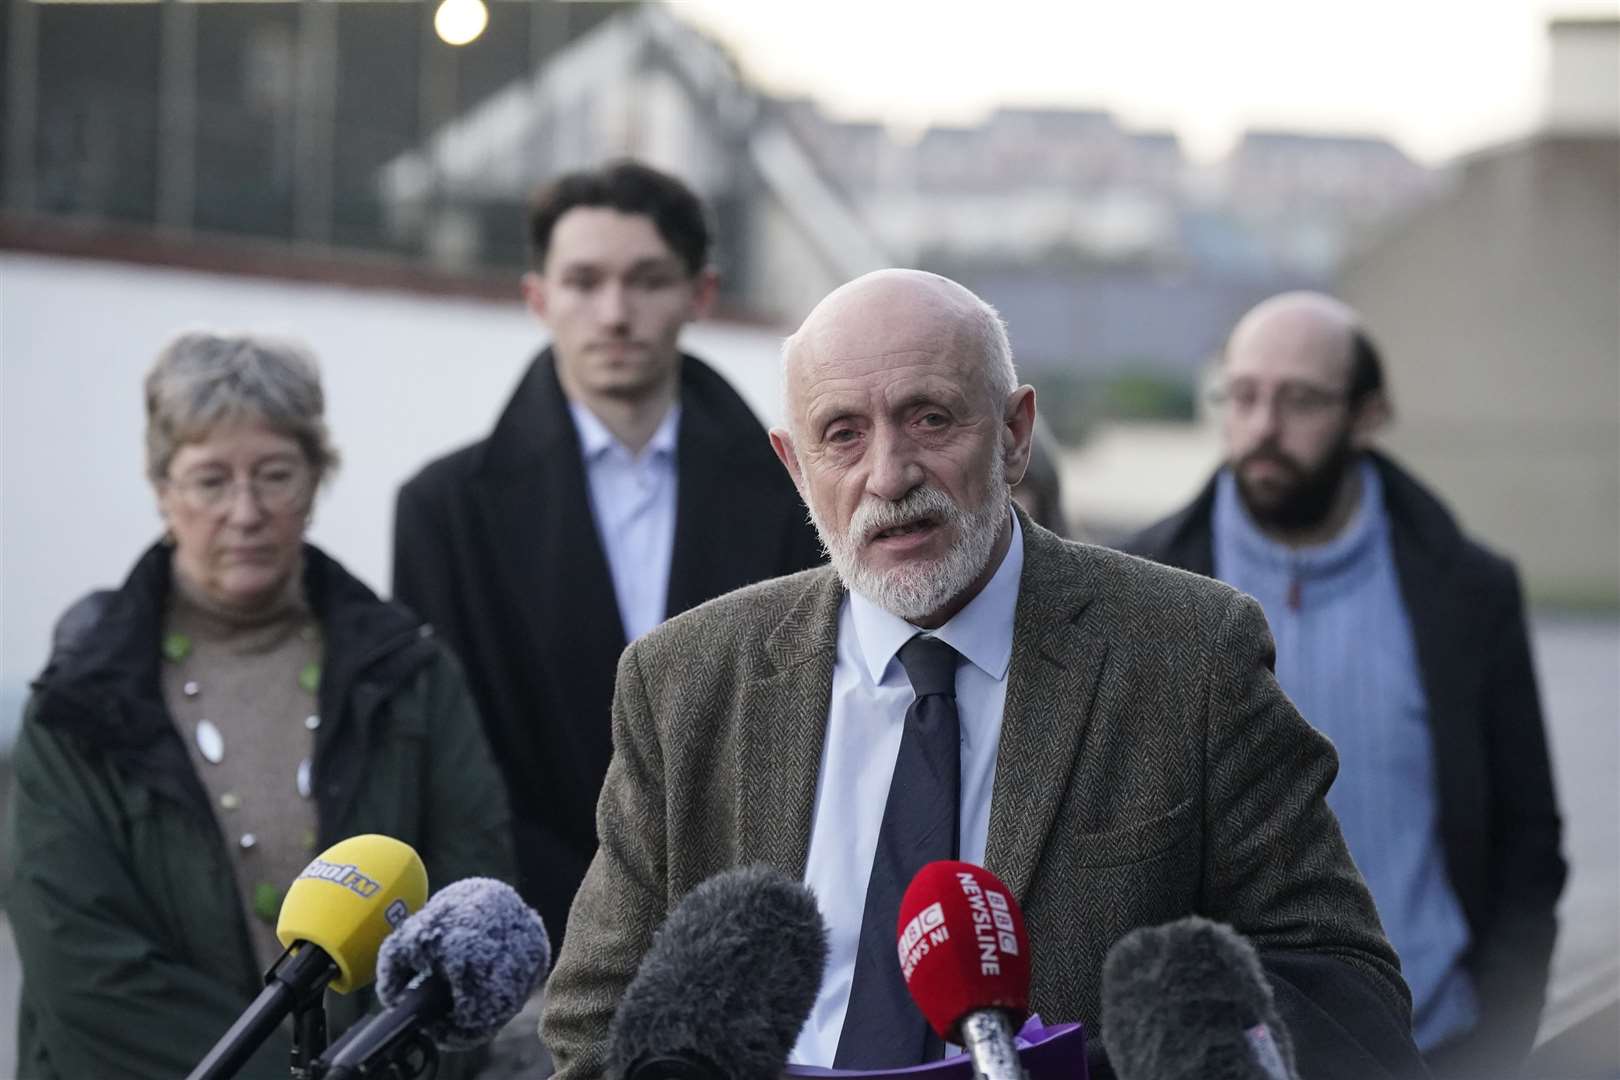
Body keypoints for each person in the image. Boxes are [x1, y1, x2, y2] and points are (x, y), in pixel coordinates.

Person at [542, 270, 1428, 1080]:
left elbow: (1339, 986)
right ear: (794, 467)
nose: (889, 476)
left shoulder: (1188, 654)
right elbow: (593, 1023)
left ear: (1014, 433)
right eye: (841, 436)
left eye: (930, 418)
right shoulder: (685, 681)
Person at [2, 332, 514, 1080]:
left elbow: (470, 896)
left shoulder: (412, 675)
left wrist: (370, 1064)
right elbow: (82, 967)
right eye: (210, 480)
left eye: (275, 474)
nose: (245, 511)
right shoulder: (80, 703)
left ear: (315, 480)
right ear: (161, 488)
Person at [1124, 292, 1567, 1079]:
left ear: (1369, 415)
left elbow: (1528, 836)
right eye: (1245, 395)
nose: (1263, 426)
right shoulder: (1142, 587)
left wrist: (1502, 1032)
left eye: (1300, 400)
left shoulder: (1467, 591)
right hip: (1219, 1058)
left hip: (1439, 1045)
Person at [392, 160, 822, 945]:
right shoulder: (442, 511)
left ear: (700, 294)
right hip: (535, 940)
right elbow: (453, 769)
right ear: (538, 298)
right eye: (584, 281)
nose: (615, 312)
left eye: (648, 280)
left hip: (761, 935)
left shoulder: (799, 492)